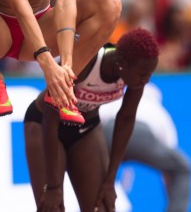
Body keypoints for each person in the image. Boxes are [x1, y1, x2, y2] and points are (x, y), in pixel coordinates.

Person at [24, 28, 159, 211]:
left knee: (102, 206)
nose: (147, 79)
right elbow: (50, 115)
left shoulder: (135, 74)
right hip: (45, 124)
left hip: (86, 129)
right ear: (121, 63)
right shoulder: (88, 60)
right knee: (52, 206)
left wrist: (110, 181)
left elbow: (126, 119)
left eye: (150, 74)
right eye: (144, 74)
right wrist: (53, 186)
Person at [0, 0, 121, 121]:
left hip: (40, 25)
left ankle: (62, 89)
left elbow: (65, 3)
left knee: (108, 1)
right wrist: (46, 62)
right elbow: (20, 6)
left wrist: (66, 66)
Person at [101, 83, 191, 212]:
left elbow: (97, 126)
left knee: (95, 172)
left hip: (110, 133)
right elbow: (169, 169)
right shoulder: (160, 112)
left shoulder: (114, 100)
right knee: (182, 167)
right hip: (141, 138)